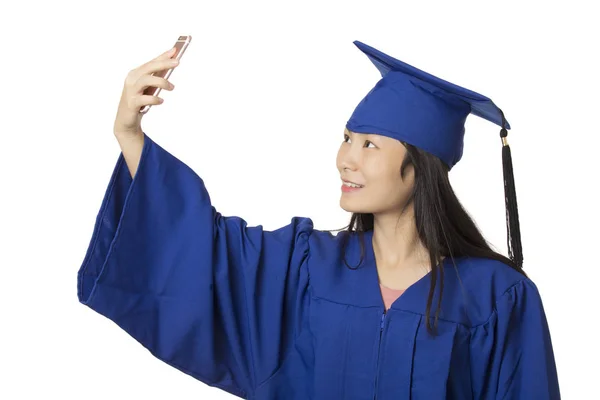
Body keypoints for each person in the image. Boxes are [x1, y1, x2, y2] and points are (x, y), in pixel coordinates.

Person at [77, 40, 561, 399]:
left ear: (420, 167)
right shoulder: (307, 265)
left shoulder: (498, 297)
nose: (346, 159)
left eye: (369, 145)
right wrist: (130, 133)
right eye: (346, 138)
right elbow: (203, 247)